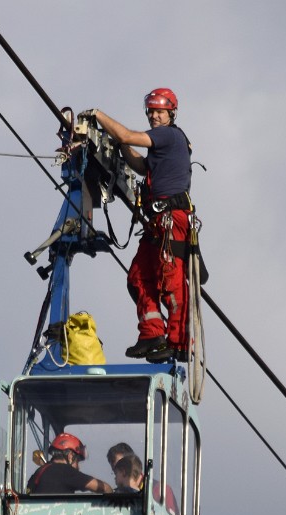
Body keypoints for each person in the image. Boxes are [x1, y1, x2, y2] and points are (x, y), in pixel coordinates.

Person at [81, 88, 194, 362]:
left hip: (170, 220)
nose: (154, 116)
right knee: (139, 278)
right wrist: (121, 148)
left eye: (159, 111)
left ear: (171, 114)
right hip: (157, 222)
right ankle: (152, 334)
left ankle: (178, 342)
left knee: (170, 281)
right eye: (151, 111)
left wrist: (97, 115)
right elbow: (143, 167)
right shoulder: (162, 143)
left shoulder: (169, 134)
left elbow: (126, 135)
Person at [105, 442, 179, 515]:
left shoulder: (160, 490)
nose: (116, 474)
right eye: (115, 470)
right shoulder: (118, 495)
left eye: (121, 466)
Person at [27, 432, 113, 494]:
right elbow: (104, 488)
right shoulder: (65, 471)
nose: (78, 467)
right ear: (70, 456)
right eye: (77, 462)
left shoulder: (38, 472)